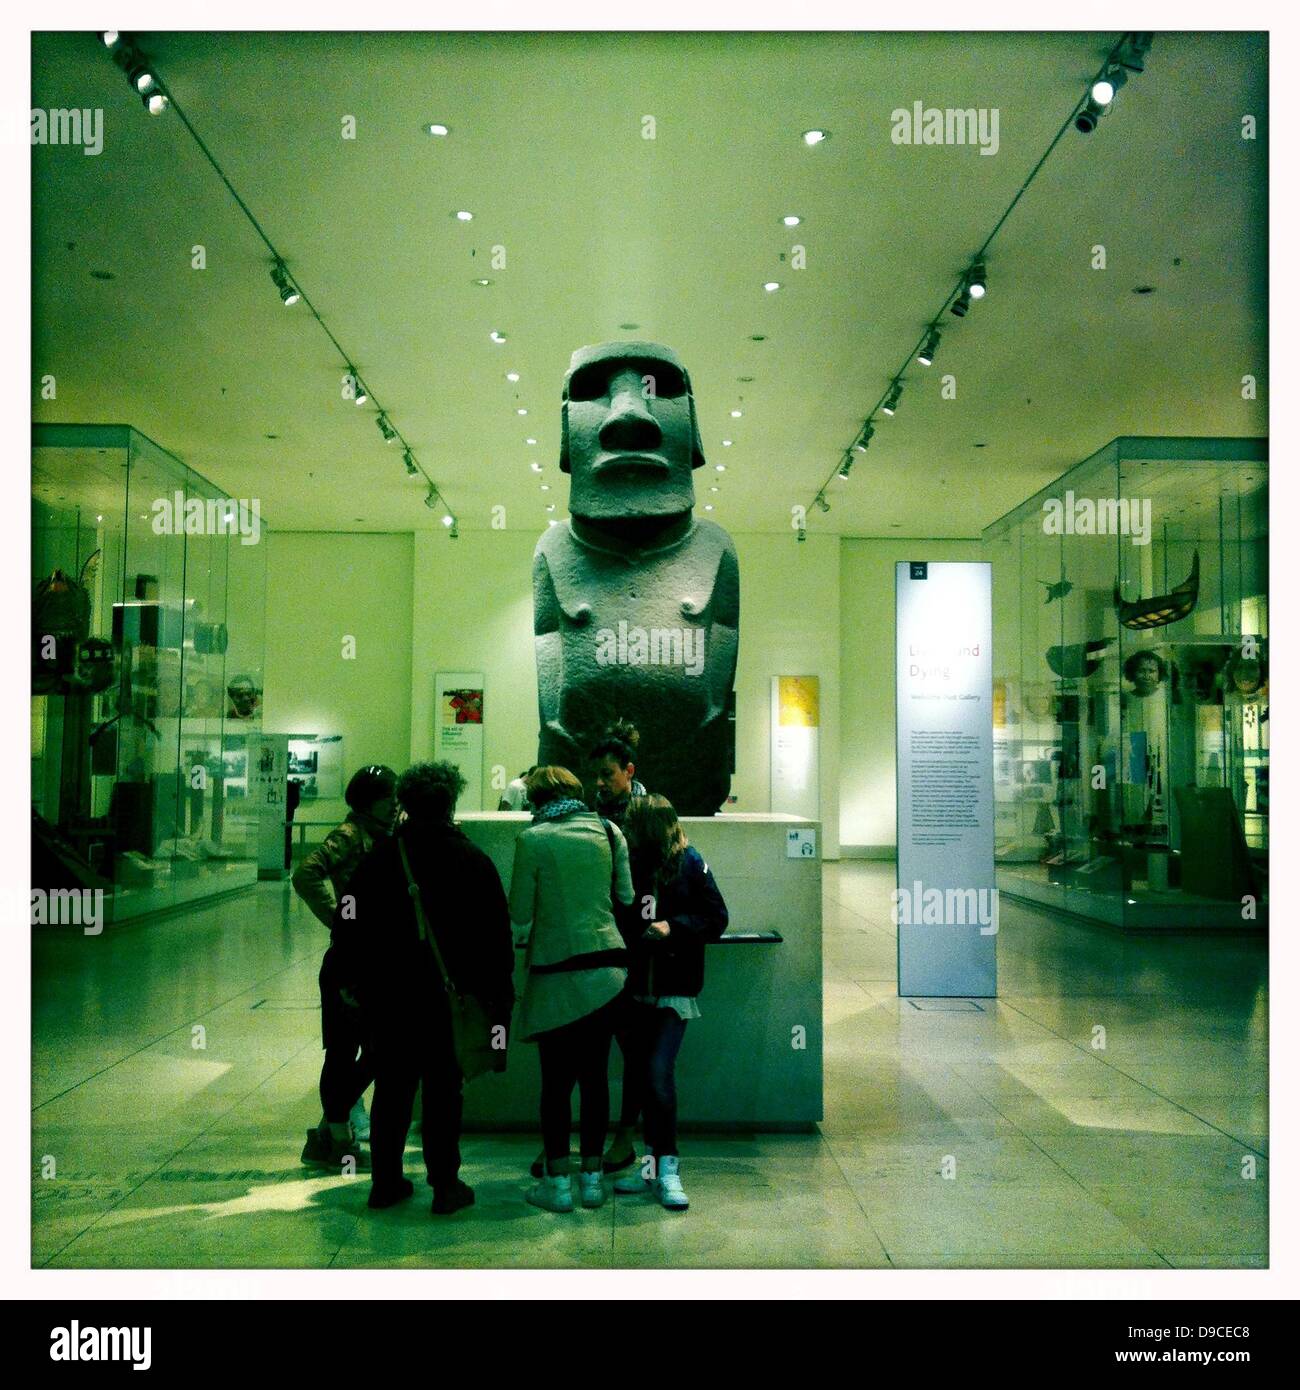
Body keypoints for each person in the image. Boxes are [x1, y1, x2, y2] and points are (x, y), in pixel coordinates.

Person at [332, 761, 515, 1214]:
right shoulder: (473, 861)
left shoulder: (379, 860)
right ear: (451, 801)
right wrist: (497, 1005)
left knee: (393, 1089)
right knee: (442, 1091)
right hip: (447, 1000)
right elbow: (496, 938)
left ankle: (386, 1182)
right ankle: (445, 1185)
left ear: (404, 805)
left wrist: (352, 979)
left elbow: (347, 919)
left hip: (388, 998)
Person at [509, 766, 634, 1213]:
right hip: (607, 971)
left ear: (537, 799)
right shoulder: (609, 830)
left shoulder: (534, 839)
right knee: (596, 1079)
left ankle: (558, 1185)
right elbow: (625, 895)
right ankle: (594, 1181)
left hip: (556, 973)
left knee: (556, 1084)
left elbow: (520, 913)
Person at [613, 794, 728, 1211]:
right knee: (646, 1078)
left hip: (671, 988)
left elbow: (717, 917)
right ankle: (652, 1169)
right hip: (640, 985)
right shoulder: (639, 862)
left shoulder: (690, 862)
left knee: (657, 1074)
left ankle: (668, 1168)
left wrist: (671, 926)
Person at [292, 763, 396, 1171]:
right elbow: (306, 874)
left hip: (372, 957)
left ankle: (326, 1134)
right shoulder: (351, 834)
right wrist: (338, 917)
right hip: (352, 959)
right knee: (344, 1050)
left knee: (371, 1046)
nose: (395, 805)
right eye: (390, 798)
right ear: (371, 800)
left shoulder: (380, 835)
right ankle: (337, 1138)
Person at [591, 720, 647, 829]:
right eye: (595, 775)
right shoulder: (589, 813)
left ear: (629, 771)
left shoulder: (649, 814)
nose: (599, 783)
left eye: (607, 774)